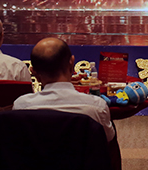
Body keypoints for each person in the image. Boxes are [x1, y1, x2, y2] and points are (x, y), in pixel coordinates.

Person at [13, 37, 119, 168]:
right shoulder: (96, 107)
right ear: (72, 64)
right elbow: (107, 144)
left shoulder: (21, 106)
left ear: (33, 72)